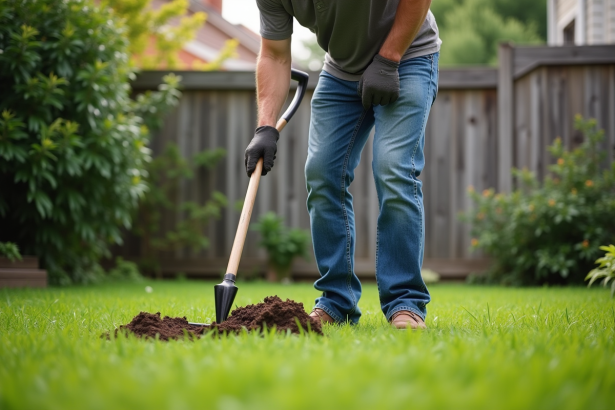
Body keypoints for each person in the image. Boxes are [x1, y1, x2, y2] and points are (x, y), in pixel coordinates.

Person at [245, 0, 441, 329]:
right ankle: (337, 302)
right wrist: (265, 126)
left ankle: (405, 302)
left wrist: (389, 58)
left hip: (408, 55)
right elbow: (275, 54)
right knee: (322, 173)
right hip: (340, 71)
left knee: (394, 168)